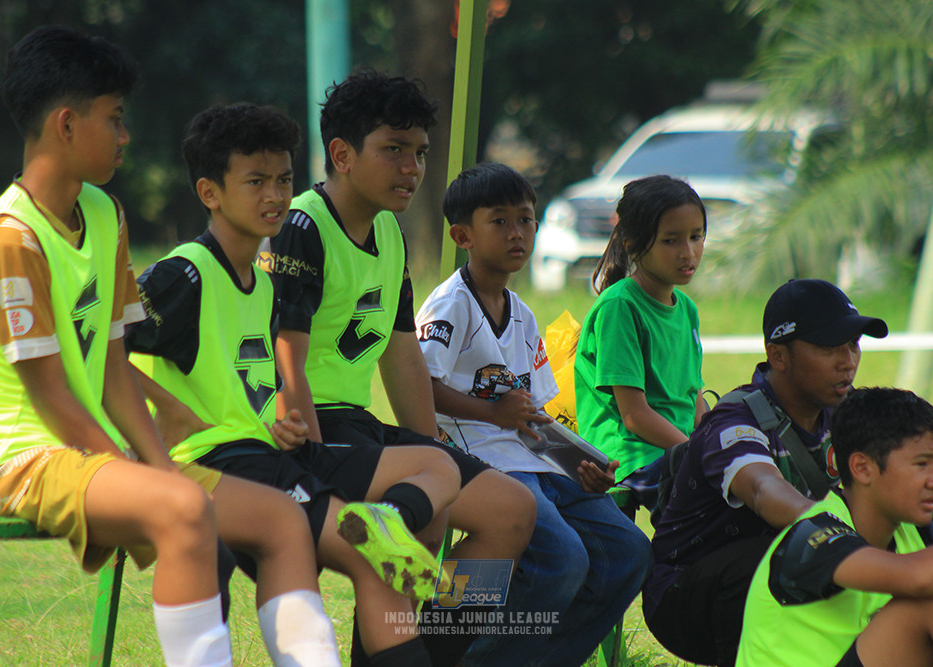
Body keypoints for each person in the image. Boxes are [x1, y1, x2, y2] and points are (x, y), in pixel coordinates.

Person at [0, 26, 339, 667]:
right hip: (15, 457)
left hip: (86, 451)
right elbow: (50, 395)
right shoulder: (10, 238)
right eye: (114, 118)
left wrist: (157, 461)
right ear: (66, 124)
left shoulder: (104, 213)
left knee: (282, 519)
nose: (125, 136)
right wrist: (144, 471)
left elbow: (114, 368)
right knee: (184, 508)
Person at [125, 102, 466, 666]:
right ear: (210, 192)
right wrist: (157, 426)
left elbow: (243, 384)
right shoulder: (184, 273)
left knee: (482, 502)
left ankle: (432, 582)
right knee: (390, 554)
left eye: (283, 180)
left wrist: (275, 422)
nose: (276, 196)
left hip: (269, 454)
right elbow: (101, 355)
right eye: (255, 181)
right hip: (220, 465)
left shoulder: (261, 283)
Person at [257, 71, 536, 665]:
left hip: (356, 425)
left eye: (420, 153)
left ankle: (428, 650)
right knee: (423, 518)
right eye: (394, 149)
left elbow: (402, 350)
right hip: (300, 428)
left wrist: (430, 447)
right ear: (342, 155)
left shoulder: (389, 230)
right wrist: (313, 459)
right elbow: (283, 362)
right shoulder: (300, 228)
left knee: (511, 511)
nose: (413, 168)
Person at [415, 162, 650, 667]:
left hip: (534, 463)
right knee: (563, 558)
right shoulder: (449, 305)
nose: (517, 233)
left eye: (526, 220)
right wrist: (492, 410)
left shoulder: (521, 313)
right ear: (463, 236)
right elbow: (419, 388)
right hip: (477, 462)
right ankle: (457, 650)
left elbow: (535, 415)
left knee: (629, 552)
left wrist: (581, 461)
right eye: (499, 221)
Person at [642, 278, 888, 667]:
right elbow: (761, 489)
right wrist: (840, 537)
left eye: (853, 345)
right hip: (684, 596)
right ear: (778, 356)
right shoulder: (735, 420)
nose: (848, 361)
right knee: (778, 556)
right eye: (829, 348)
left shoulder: (847, 410)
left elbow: (901, 475)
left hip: (795, 567)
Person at [738, 387, 933, 667]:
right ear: (862, 468)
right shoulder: (813, 536)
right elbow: (918, 576)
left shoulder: (921, 529)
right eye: (922, 464)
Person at [573, 175, 708, 501]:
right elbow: (634, 416)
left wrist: (711, 442)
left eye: (696, 237)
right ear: (632, 243)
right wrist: (697, 454)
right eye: (670, 240)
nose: (688, 252)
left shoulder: (687, 309)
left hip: (674, 448)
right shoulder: (620, 306)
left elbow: (694, 397)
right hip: (631, 454)